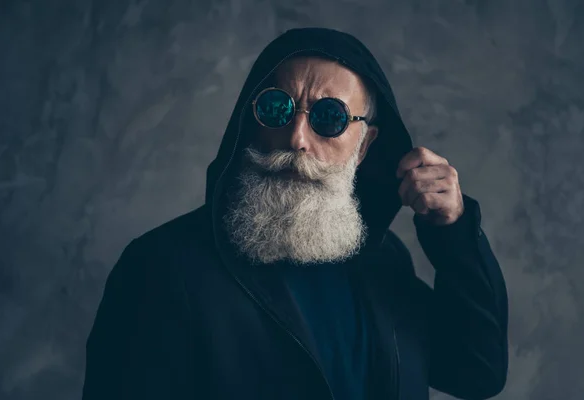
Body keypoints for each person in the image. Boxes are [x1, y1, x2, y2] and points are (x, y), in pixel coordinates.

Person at [82, 27, 508, 400]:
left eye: (328, 117)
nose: (298, 138)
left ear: (364, 146)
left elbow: (478, 372)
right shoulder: (160, 267)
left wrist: (451, 232)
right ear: (251, 123)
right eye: (276, 109)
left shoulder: (384, 260)